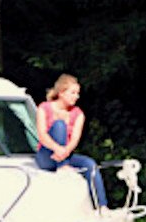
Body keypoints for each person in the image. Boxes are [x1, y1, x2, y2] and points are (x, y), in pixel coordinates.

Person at [35, 73, 108, 208]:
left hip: (65, 154)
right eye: (73, 93)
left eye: (78, 93)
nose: (77, 96)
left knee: (90, 164)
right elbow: (42, 136)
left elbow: (74, 140)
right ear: (62, 93)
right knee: (59, 125)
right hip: (47, 155)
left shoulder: (78, 113)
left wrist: (64, 152)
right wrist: (58, 150)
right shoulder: (44, 108)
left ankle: (102, 206)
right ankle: (62, 166)